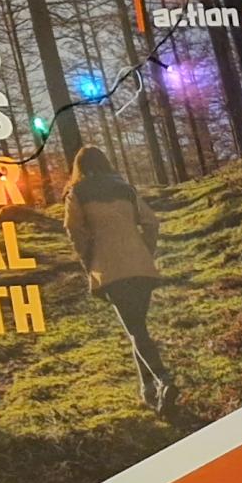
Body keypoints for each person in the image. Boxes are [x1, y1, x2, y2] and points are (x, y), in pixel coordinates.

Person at [62, 146, 172, 413]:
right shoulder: (125, 189)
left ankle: (163, 379)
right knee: (138, 328)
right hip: (140, 265)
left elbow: (73, 229)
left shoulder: (78, 193)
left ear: (80, 167)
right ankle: (148, 390)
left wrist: (87, 258)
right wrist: (146, 250)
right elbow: (151, 222)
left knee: (136, 330)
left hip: (110, 268)